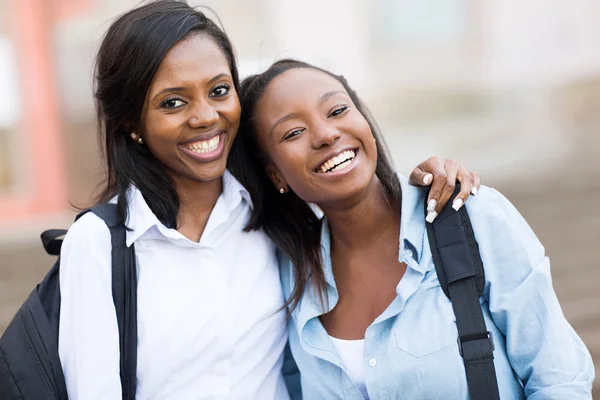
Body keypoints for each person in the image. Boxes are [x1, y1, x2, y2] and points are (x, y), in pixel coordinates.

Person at [57, 1, 480, 399]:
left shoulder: (270, 212)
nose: (206, 116)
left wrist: (439, 175)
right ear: (133, 121)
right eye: (173, 102)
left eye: (219, 90)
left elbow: (343, 173)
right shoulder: (99, 244)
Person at [231, 59, 595, 399]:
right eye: (293, 132)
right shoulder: (289, 275)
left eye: (338, 110)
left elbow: (559, 379)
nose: (326, 134)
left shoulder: (469, 215)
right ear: (275, 174)